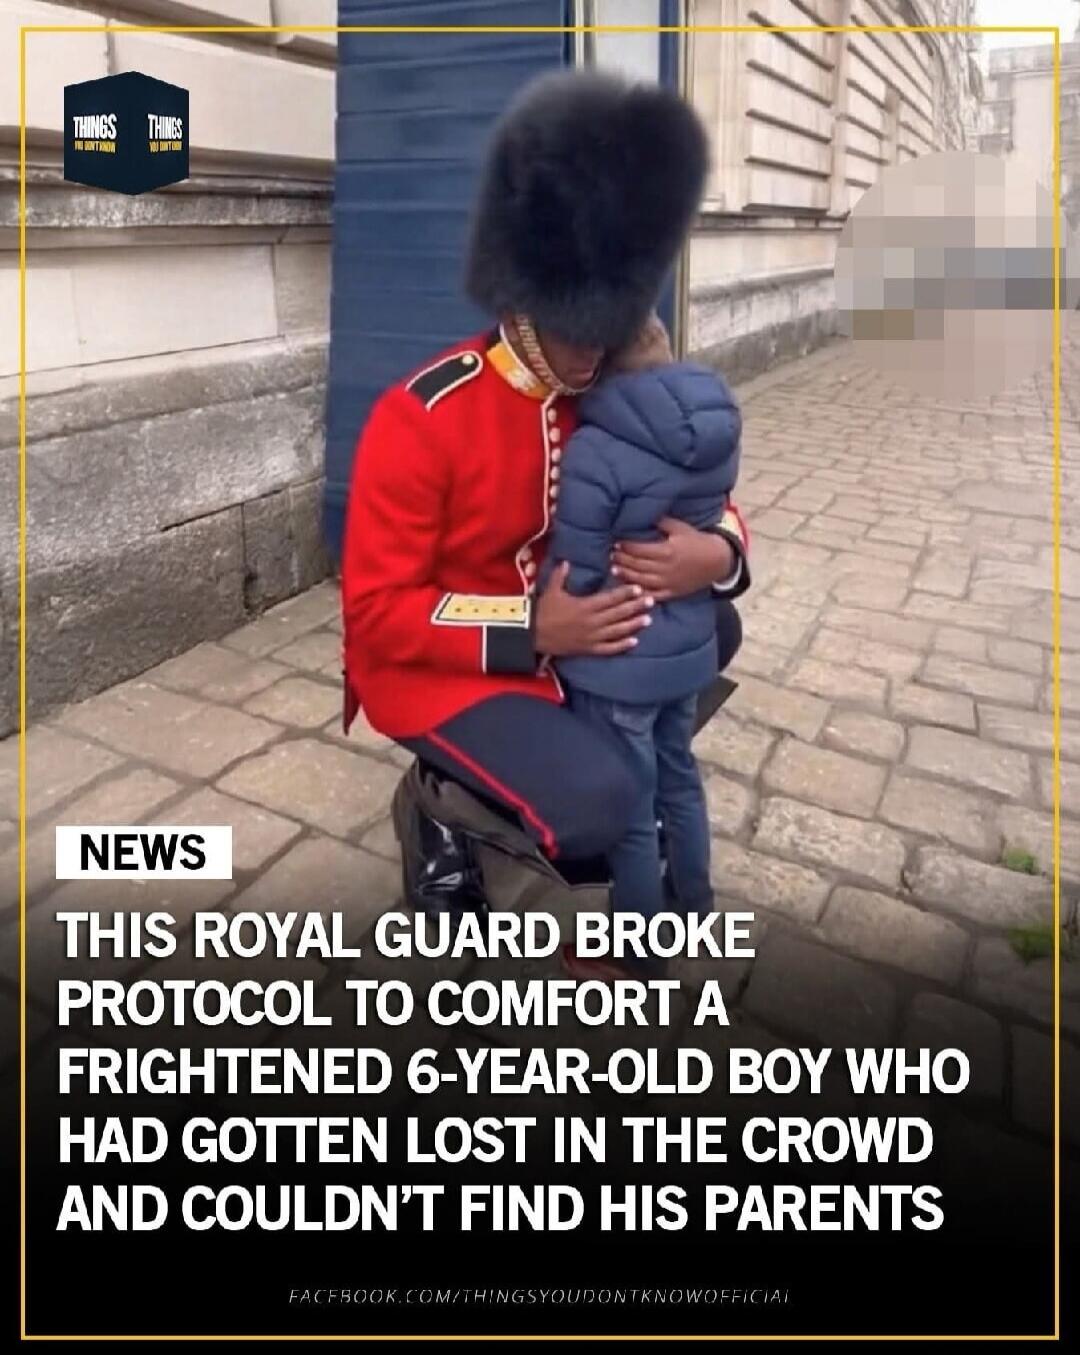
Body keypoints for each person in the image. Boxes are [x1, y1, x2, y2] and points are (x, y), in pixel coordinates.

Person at [339, 69, 750, 979]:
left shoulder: (604, 379)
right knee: (604, 811)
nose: (597, 352)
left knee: (716, 625)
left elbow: (704, 499)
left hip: (577, 643)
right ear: (525, 300)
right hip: (443, 665)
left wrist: (712, 553)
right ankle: (440, 808)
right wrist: (529, 629)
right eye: (581, 328)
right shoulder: (425, 413)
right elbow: (377, 613)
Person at [545, 312, 745, 963]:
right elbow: (715, 520)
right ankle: (693, 908)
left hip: (618, 657)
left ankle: (636, 954)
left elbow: (576, 566)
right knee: (679, 780)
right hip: (687, 652)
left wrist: (544, 620)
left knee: (629, 815)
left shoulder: (597, 447)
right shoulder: (714, 428)